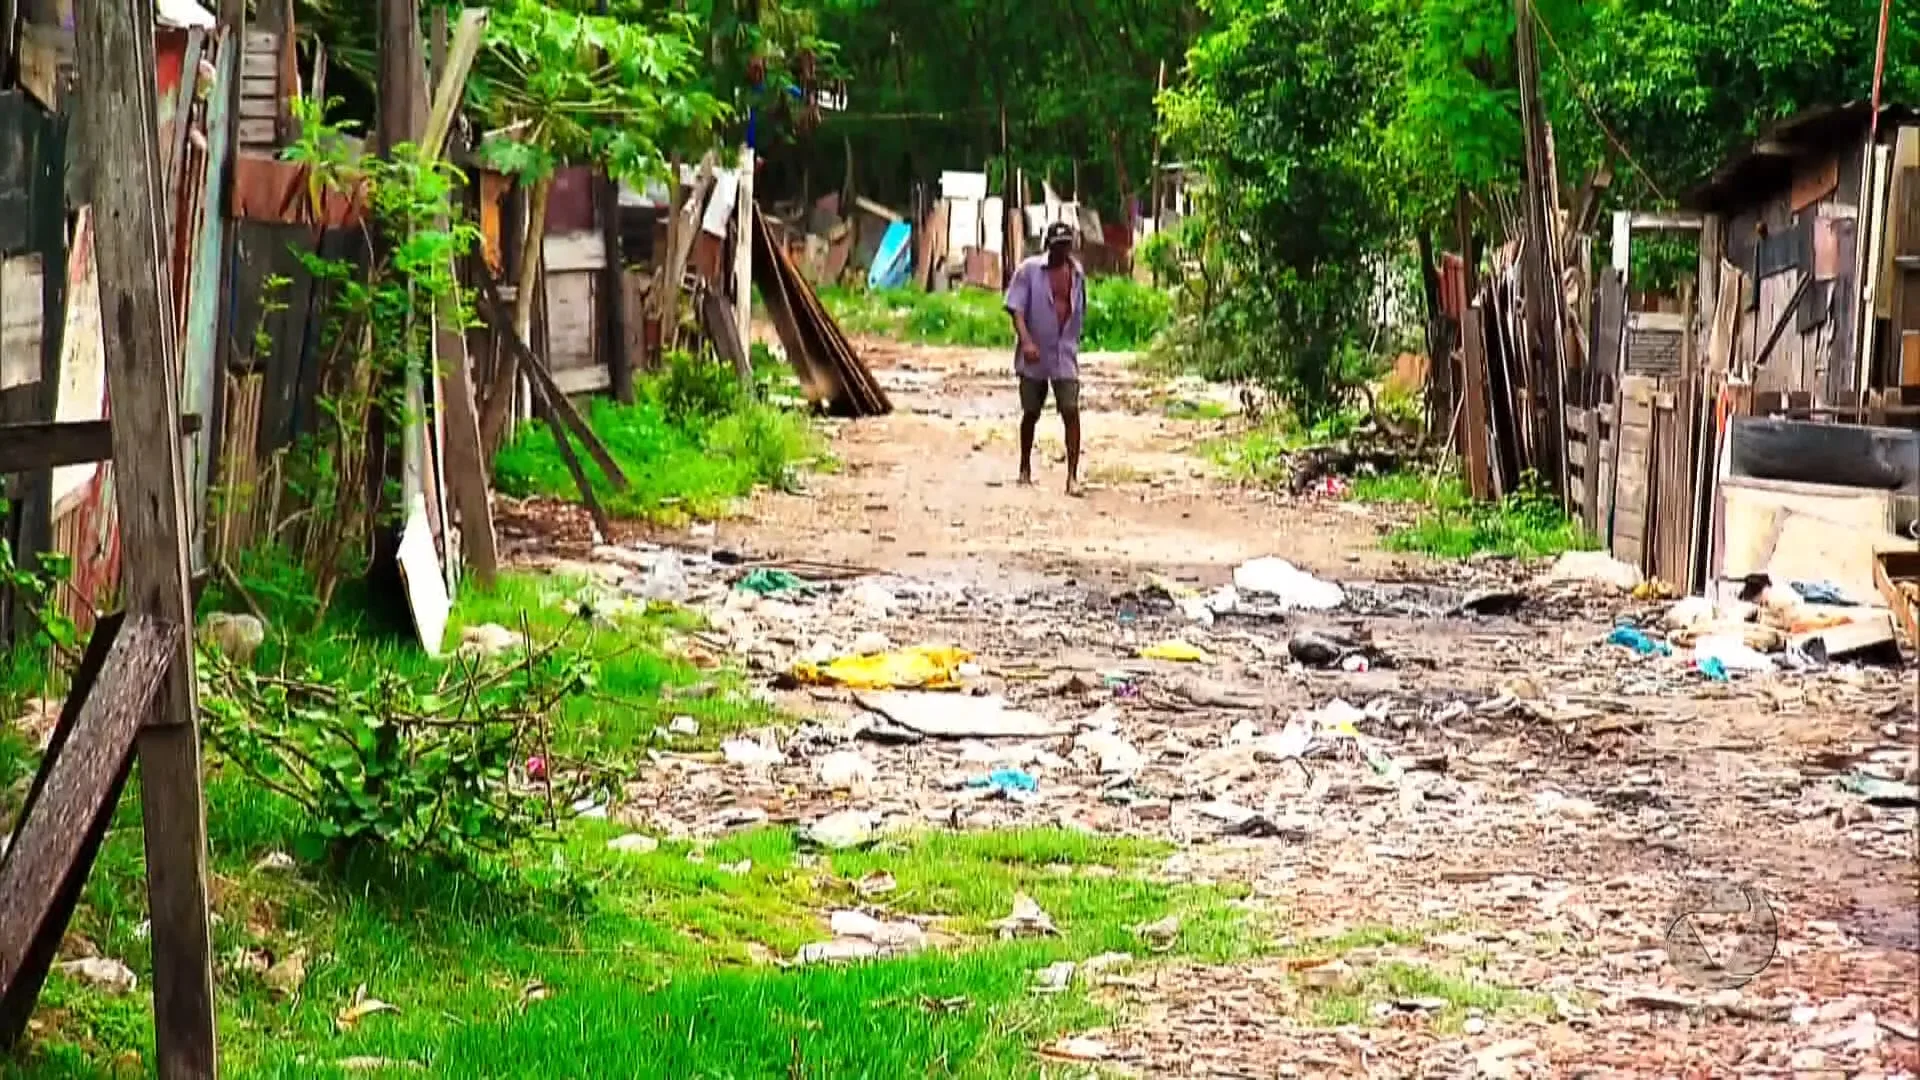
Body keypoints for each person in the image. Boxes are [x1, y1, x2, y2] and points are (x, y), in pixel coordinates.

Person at [1004, 221, 1087, 496]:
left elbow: (1079, 310)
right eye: (1056, 246)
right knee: (1031, 412)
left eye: (1065, 246)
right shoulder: (1028, 271)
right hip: (1035, 353)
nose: (1061, 252)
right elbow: (1015, 309)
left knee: (1070, 409)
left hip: (1064, 352)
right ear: (1047, 246)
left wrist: (1074, 340)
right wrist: (1026, 340)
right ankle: (1024, 466)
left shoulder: (1077, 275)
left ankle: (1072, 476)